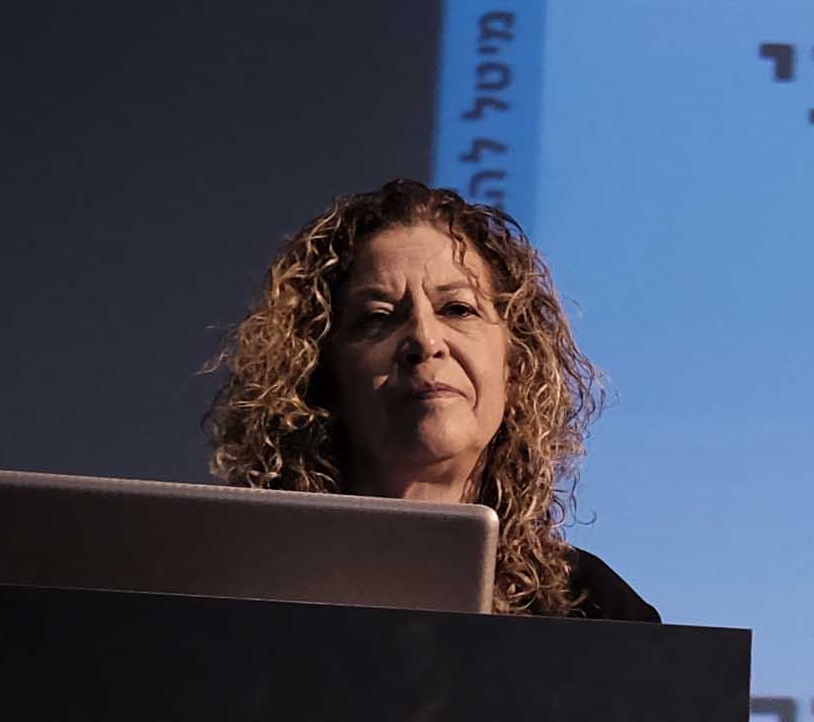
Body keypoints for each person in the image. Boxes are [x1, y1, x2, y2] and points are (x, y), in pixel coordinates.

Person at [205, 178, 655, 620]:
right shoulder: (233, 596)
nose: (425, 339)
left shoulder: (594, 610)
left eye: (457, 309)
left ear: (515, 367)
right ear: (320, 376)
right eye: (378, 317)